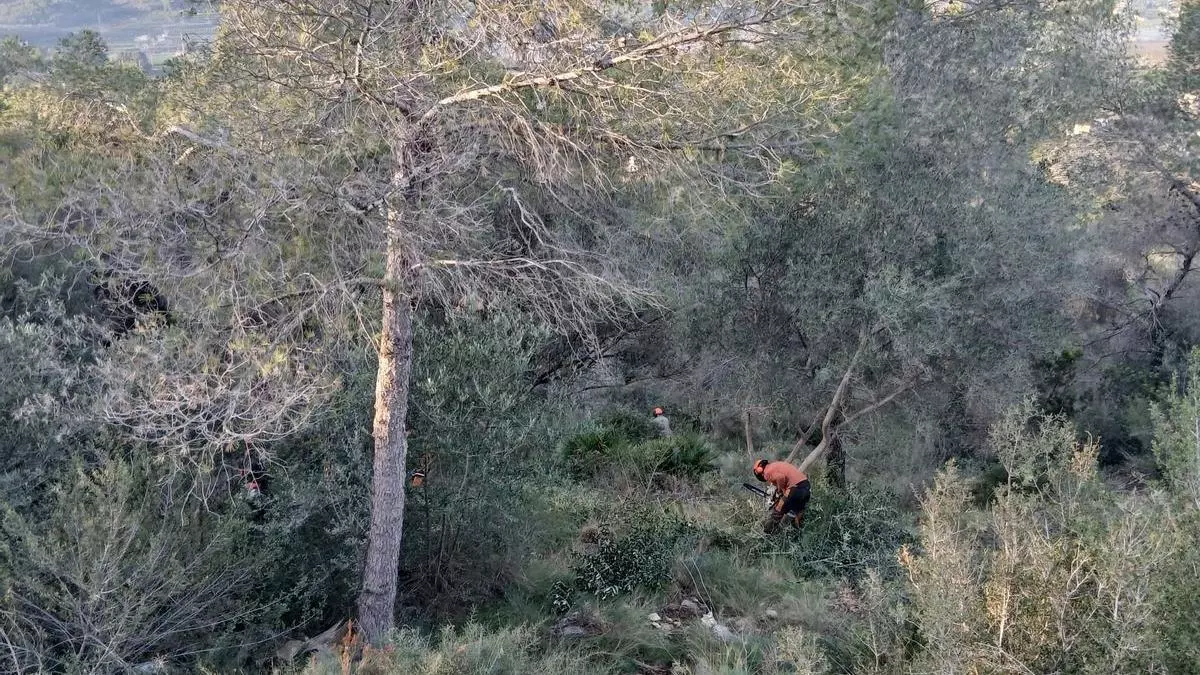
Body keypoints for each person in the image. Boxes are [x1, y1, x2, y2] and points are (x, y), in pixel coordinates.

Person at [752, 458, 810, 533]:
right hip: (806, 486)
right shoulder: (775, 465)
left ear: (760, 472)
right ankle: (799, 533)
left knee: (777, 512)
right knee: (798, 513)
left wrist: (780, 490)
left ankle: (766, 534)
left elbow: (781, 478)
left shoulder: (767, 472)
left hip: (795, 489)